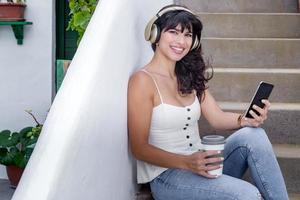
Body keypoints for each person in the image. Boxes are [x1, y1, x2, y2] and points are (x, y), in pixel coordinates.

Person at [127, 4, 288, 200]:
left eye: (188, 35)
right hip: (168, 176)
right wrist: (186, 162)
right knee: (248, 194)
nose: (181, 41)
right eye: (173, 32)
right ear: (156, 34)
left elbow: (217, 118)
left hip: (203, 164)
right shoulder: (143, 81)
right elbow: (139, 148)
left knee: (255, 135)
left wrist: (244, 119)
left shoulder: (189, 75)